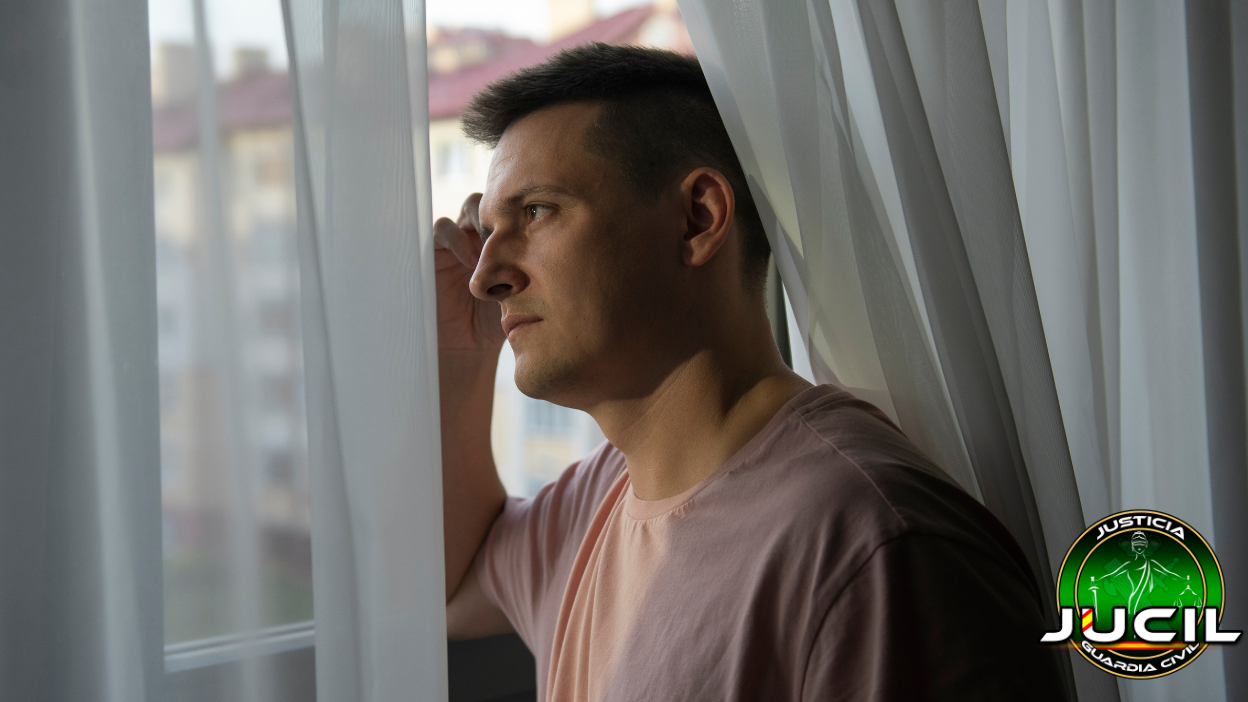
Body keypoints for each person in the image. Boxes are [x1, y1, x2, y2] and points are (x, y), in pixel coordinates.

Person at [434, 43, 1068, 702]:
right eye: (488, 230)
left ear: (698, 218)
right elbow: (450, 589)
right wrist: (459, 352)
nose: (486, 277)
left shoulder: (871, 545)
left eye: (536, 212)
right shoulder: (603, 494)